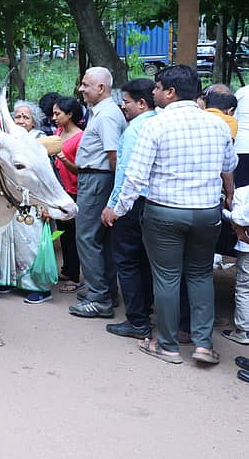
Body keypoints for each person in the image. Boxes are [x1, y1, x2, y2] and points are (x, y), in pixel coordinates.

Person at [105, 65, 236, 365]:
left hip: (165, 212)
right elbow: (227, 165)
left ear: (171, 92)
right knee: (201, 275)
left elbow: (135, 178)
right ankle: (203, 345)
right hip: (206, 212)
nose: (153, 93)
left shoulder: (155, 125)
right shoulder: (218, 125)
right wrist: (228, 196)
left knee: (166, 277)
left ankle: (167, 345)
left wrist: (119, 209)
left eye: (157, 88)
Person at [100, 78, 157, 339]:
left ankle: (137, 321)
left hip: (132, 203)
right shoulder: (161, 123)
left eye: (127, 103)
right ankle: (147, 309)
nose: (124, 108)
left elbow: (125, 173)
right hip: (154, 203)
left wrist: (113, 206)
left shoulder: (135, 130)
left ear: (142, 103)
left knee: (127, 260)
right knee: (145, 260)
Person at [68, 66, 125, 319]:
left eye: (85, 85)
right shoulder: (100, 112)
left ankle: (98, 297)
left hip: (98, 179)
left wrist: (114, 192)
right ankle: (104, 290)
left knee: (87, 237)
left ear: (101, 88)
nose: (81, 89)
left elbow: (114, 156)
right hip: (96, 178)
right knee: (99, 239)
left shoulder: (107, 115)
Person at [0, 101, 54, 303]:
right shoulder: (7, 140)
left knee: (30, 242)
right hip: (11, 200)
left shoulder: (40, 141)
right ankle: (7, 280)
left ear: (34, 121)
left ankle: (40, 288)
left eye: (26, 117)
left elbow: (48, 176)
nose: (21, 120)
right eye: (18, 116)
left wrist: (46, 205)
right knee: (8, 240)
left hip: (34, 201)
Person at [52, 96, 84, 292]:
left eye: (58, 113)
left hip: (73, 192)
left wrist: (63, 160)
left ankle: (74, 276)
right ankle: (66, 268)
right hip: (58, 191)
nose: (54, 117)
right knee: (62, 233)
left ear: (70, 114)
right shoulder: (57, 133)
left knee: (72, 235)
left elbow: (80, 170)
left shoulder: (80, 138)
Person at [223, 184, 249, 346]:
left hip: (247, 248)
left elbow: (239, 217)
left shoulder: (242, 192)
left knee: (245, 288)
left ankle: (243, 331)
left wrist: (223, 211)